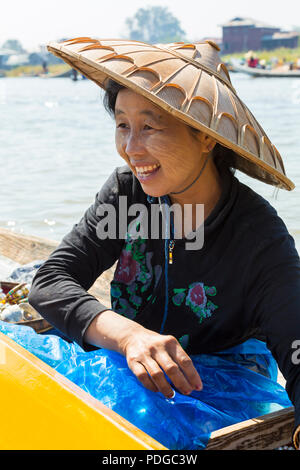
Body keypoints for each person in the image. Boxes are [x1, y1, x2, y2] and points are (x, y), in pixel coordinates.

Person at [29, 37, 300, 448]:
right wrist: (128, 336)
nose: (131, 149)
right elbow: (51, 281)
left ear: (207, 137)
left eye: (150, 126)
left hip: (215, 394)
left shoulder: (257, 234)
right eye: (122, 125)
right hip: (124, 370)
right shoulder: (127, 195)